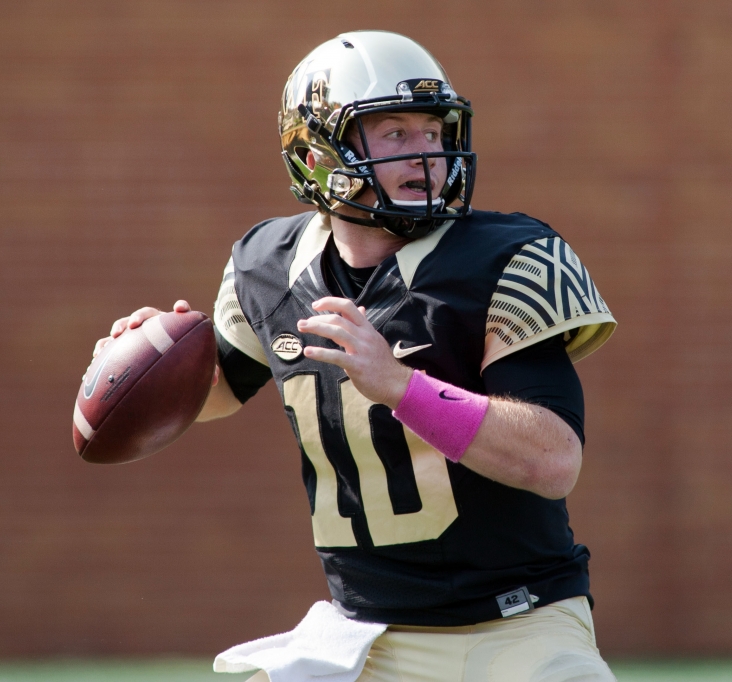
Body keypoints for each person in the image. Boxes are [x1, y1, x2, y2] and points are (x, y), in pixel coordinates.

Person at [94, 30, 617, 682]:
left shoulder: (508, 257)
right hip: (364, 634)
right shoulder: (267, 266)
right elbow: (222, 390)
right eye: (393, 133)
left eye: (433, 130)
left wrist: (401, 386)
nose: (425, 154)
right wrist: (159, 357)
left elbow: (552, 459)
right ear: (315, 152)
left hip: (518, 627)